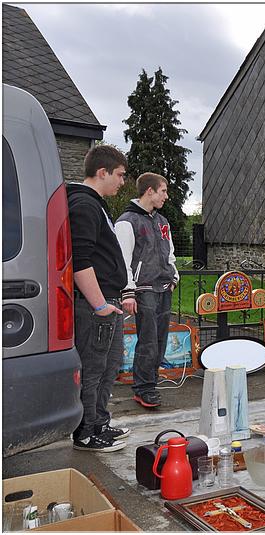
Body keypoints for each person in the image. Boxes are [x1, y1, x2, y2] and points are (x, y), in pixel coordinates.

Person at [68, 145, 130, 452]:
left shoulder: (96, 204)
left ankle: (100, 422)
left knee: (110, 364)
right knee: (92, 367)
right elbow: (80, 260)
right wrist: (99, 304)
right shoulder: (83, 204)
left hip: (108, 299)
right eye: (119, 175)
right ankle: (85, 433)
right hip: (97, 302)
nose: (122, 182)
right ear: (102, 172)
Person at [115, 173, 179, 409]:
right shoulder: (127, 221)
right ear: (149, 191)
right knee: (148, 340)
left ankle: (150, 382)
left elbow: (169, 252)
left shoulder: (162, 221)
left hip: (164, 287)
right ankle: (143, 388)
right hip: (144, 290)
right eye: (163, 191)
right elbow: (123, 259)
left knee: (160, 340)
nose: (166, 196)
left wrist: (174, 277)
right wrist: (128, 292)